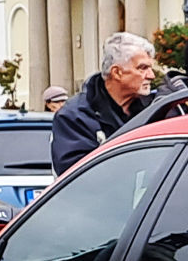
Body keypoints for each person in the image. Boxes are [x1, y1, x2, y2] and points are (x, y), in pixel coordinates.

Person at [50, 32, 155, 175]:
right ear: (117, 72)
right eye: (142, 68)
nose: (151, 76)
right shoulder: (75, 117)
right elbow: (77, 177)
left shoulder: (152, 109)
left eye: (150, 68)